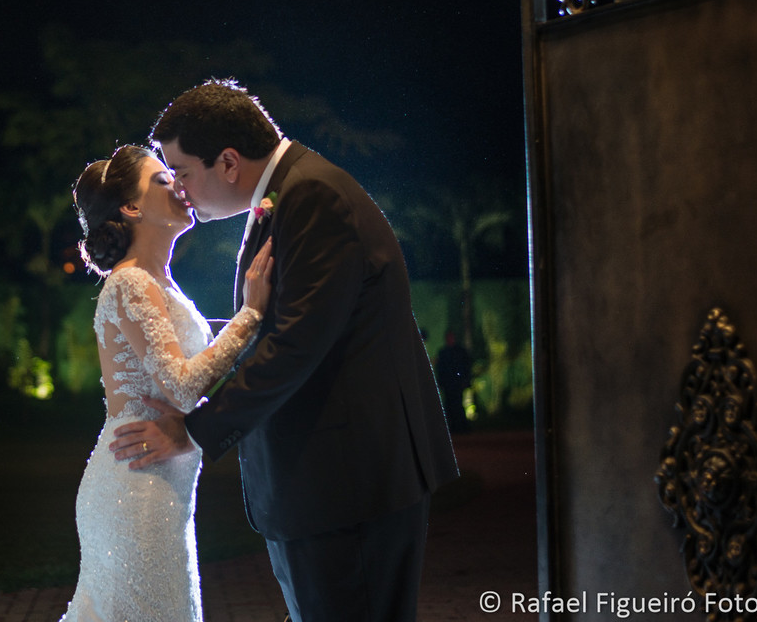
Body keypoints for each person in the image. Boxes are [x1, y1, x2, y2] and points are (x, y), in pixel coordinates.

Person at [110, 79, 460, 621]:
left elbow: (295, 344)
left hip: (347, 484)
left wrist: (193, 431)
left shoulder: (313, 196)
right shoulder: (294, 192)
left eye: (182, 171)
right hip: (328, 485)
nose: (180, 188)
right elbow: (290, 322)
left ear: (229, 162)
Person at [59, 144, 274, 621]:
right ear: (131, 208)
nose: (179, 185)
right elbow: (181, 387)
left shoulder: (160, 283)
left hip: (160, 483)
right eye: (162, 180)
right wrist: (252, 313)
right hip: (135, 487)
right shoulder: (130, 283)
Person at [436, 331, 473, 434]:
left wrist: (464, 380)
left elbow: (465, 366)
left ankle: (460, 427)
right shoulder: (444, 352)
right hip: (449, 384)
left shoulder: (458, 352)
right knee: (450, 405)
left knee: (457, 404)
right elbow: (441, 369)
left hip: (456, 384)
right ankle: (454, 428)